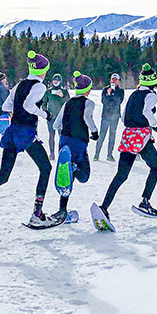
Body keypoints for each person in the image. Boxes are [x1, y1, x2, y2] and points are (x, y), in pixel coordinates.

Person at [0, 50, 55, 228]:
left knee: (3, 175)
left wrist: (16, 112)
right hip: (25, 133)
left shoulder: (20, 85)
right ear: (44, 70)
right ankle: (37, 213)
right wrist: (45, 114)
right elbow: (28, 105)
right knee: (46, 168)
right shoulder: (40, 86)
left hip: (12, 131)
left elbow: (6, 105)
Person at [94, 63, 157, 225]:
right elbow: (147, 112)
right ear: (153, 82)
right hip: (141, 136)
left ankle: (104, 207)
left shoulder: (134, 94)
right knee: (155, 168)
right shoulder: (151, 94)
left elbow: (126, 114)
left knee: (121, 175)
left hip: (128, 136)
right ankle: (145, 202)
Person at [54, 72, 98, 220]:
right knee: (84, 176)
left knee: (66, 179)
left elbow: (55, 125)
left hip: (64, 142)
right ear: (87, 89)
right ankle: (73, 167)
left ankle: (62, 210)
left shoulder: (67, 103)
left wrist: (65, 133)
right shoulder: (88, 103)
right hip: (78, 143)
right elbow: (87, 117)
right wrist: (94, 131)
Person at [95, 73, 124, 161]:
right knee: (102, 135)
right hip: (106, 116)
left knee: (112, 135)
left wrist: (113, 94)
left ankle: (109, 154)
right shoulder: (105, 90)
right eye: (112, 79)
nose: (114, 81)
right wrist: (108, 94)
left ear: (118, 81)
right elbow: (104, 101)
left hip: (115, 117)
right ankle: (96, 154)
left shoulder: (121, 91)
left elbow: (119, 101)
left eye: (115, 79)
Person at [44, 73, 68, 158]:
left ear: (60, 81)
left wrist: (62, 96)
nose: (56, 82)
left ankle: (62, 154)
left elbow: (68, 103)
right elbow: (44, 103)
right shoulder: (48, 91)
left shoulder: (64, 91)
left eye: (57, 80)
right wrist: (46, 112)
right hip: (51, 118)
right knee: (51, 136)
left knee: (62, 136)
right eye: (54, 80)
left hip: (61, 118)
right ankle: (52, 154)